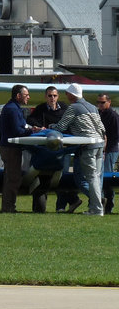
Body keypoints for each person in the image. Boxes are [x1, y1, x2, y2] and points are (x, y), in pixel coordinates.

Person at [51, 83, 106, 215]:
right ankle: (96, 206)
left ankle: (97, 209)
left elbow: (61, 127)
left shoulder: (73, 108)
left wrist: (49, 128)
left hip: (87, 145)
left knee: (91, 177)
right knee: (96, 178)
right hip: (99, 143)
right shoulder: (93, 107)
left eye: (67, 93)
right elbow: (102, 128)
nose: (66, 95)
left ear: (72, 95)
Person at [27, 86, 75, 212]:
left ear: (58, 96)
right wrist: (38, 127)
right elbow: (30, 119)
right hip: (44, 150)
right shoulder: (41, 108)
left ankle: (62, 206)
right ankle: (38, 206)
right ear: (46, 97)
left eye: (54, 95)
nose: (52, 98)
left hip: (61, 149)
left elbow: (70, 124)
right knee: (41, 177)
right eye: (49, 96)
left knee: (61, 177)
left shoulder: (65, 108)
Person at [0, 84, 40, 213]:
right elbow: (17, 130)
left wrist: (30, 129)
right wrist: (33, 132)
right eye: (26, 95)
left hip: (9, 148)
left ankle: (8, 206)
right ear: (18, 96)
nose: (28, 97)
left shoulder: (13, 108)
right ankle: (9, 207)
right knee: (13, 178)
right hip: (11, 149)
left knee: (11, 178)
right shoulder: (12, 109)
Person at [96, 93, 119, 214]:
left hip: (110, 150)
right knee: (101, 177)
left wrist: (106, 150)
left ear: (109, 102)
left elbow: (116, 136)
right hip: (102, 149)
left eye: (102, 102)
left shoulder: (113, 116)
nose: (100, 104)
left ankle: (109, 204)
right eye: (98, 102)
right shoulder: (100, 114)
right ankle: (103, 202)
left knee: (107, 178)